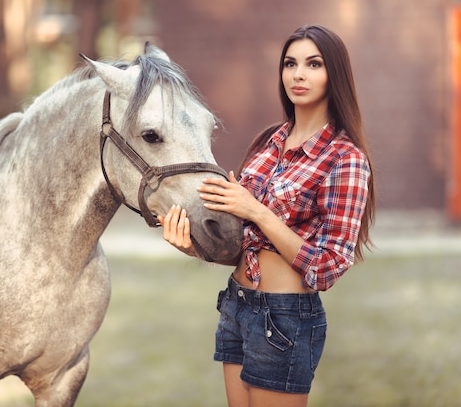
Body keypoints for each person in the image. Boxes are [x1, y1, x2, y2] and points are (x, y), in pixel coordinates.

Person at [158, 24, 375, 407]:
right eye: (290, 63)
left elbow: (326, 267)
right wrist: (191, 246)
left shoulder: (345, 159)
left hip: (285, 317)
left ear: (334, 74)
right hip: (236, 304)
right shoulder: (268, 142)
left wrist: (256, 211)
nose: (298, 74)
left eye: (314, 64)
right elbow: (241, 246)